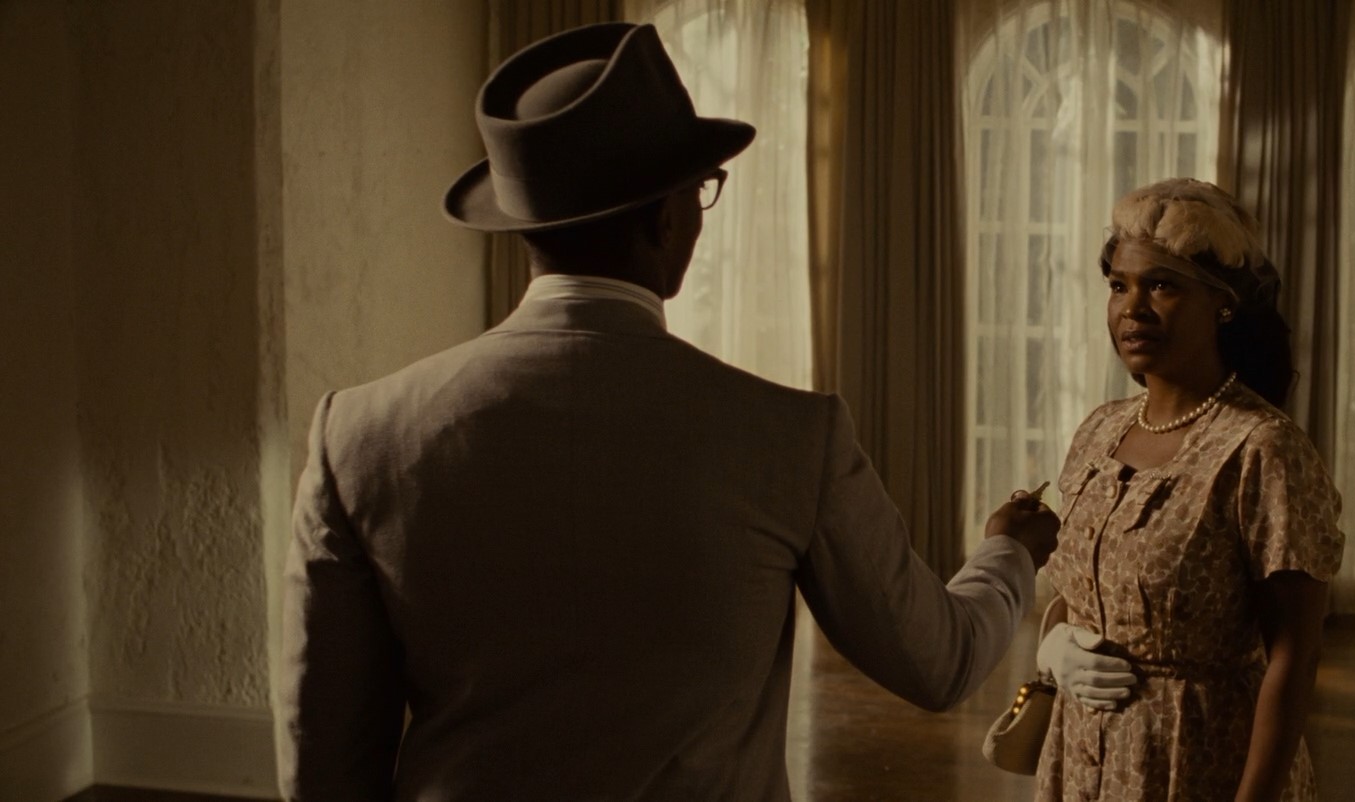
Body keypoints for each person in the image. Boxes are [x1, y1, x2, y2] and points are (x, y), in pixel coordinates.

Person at [274, 22, 1059, 801]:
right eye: (701, 188)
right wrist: (1009, 552)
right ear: (667, 219)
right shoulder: (788, 436)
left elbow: (325, 762)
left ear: (523, 226)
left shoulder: (359, 435)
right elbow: (939, 661)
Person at [1031, 179, 1345, 801]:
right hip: (1082, 759)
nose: (1132, 308)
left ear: (1222, 305)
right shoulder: (1099, 431)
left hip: (1197, 762)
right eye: (1118, 286)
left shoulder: (1262, 449)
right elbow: (1084, 589)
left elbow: (1295, 657)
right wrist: (1054, 645)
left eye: (1162, 286)